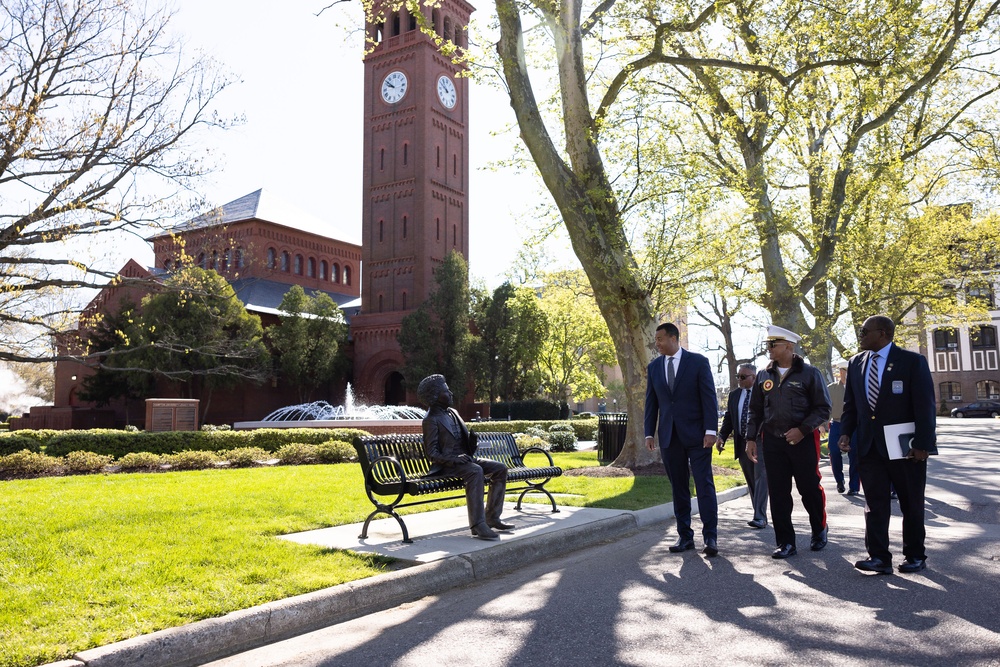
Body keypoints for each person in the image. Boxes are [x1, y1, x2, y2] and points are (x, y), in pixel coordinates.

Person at [838, 315, 937, 574]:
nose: (860, 336)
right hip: (869, 446)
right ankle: (879, 557)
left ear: (882, 333)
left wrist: (923, 443)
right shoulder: (856, 363)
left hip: (905, 447)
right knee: (874, 504)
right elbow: (851, 405)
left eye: (864, 331)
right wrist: (846, 432)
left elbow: (925, 406)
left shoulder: (912, 361)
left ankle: (915, 555)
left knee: (911, 503)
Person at [745, 325, 831, 559]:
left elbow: (823, 408)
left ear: (789, 347)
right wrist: (750, 438)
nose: (769, 349)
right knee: (779, 492)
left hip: (802, 441)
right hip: (772, 441)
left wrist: (803, 430)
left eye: (773, 345)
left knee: (809, 488)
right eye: (768, 345)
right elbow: (755, 410)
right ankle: (785, 542)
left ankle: (819, 529)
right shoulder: (764, 375)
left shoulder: (810, 373)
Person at [644, 322, 720, 556]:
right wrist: (649, 432)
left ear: (674, 338)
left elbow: (709, 398)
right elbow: (651, 403)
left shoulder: (697, 362)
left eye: (660, 339)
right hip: (669, 436)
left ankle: (710, 537)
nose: (657, 343)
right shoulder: (654, 367)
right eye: (656, 340)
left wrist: (711, 430)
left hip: (698, 436)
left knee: (704, 484)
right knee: (678, 487)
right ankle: (685, 536)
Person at [418, 374, 512, 541]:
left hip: (465, 460)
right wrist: (454, 459)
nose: (451, 393)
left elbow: (461, 442)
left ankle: (492, 517)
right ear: (435, 396)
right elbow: (431, 454)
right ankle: (477, 525)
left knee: (500, 469)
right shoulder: (430, 420)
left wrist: (471, 443)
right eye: (446, 391)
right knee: (475, 472)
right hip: (447, 465)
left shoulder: (453, 413)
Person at [717, 363, 769, 529]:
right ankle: (758, 513)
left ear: (754, 378)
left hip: (760, 441)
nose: (739, 379)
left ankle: (760, 516)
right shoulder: (734, 395)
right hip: (741, 442)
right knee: (751, 478)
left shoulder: (764, 394)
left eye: (743, 377)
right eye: (738, 376)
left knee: (761, 476)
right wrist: (722, 437)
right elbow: (729, 419)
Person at [827, 360, 860, 496]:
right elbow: (825, 407)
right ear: (841, 372)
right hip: (837, 423)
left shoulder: (858, 387)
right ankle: (839, 481)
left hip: (855, 425)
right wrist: (823, 424)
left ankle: (854, 487)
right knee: (834, 452)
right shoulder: (832, 388)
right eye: (846, 370)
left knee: (855, 455)